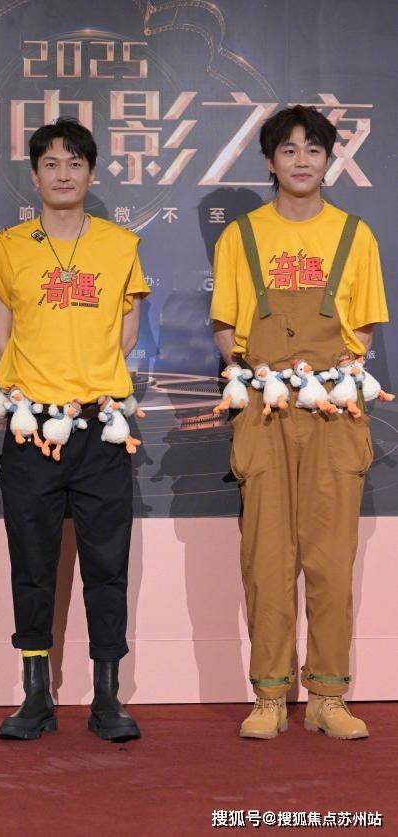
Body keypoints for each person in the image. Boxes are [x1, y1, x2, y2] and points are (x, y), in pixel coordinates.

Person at [211, 106, 389, 739]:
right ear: (269, 161)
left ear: (329, 158)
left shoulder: (354, 235)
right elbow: (226, 327)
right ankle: (269, 696)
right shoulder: (241, 236)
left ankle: (328, 697)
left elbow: (363, 329)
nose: (302, 160)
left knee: (331, 561)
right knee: (266, 560)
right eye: (288, 150)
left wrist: (326, 379)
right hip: (263, 411)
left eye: (313, 148)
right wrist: (259, 376)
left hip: (333, 411)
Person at [0, 117, 149, 741]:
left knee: (107, 563)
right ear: (34, 175)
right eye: (50, 164)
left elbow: (126, 334)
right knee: (31, 562)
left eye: (75, 163)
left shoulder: (120, 245)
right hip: (32, 428)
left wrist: (89, 383)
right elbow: (1, 335)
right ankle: (35, 696)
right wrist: (40, 389)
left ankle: (107, 697)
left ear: (92, 173)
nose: (63, 174)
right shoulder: (7, 247)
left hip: (100, 428)